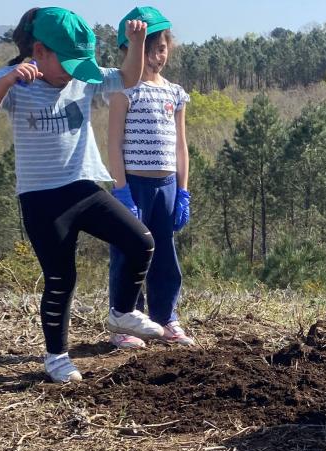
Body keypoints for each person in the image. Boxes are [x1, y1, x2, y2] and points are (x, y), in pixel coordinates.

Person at [0, 7, 165, 383]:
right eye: (67, 64)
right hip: (41, 199)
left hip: (82, 188)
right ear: (40, 51)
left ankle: (121, 312)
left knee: (141, 241)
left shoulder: (83, 78)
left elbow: (128, 77)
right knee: (61, 278)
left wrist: (139, 42)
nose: (73, 73)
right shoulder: (18, 81)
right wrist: (10, 79)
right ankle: (57, 356)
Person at [107, 6, 194, 349]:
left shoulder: (175, 92)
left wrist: (183, 192)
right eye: (146, 49)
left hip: (167, 185)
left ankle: (166, 317)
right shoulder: (122, 90)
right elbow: (113, 143)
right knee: (127, 254)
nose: (155, 57)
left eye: (160, 48)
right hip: (134, 185)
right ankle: (123, 320)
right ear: (129, 50)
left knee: (164, 253)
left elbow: (181, 147)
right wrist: (121, 191)